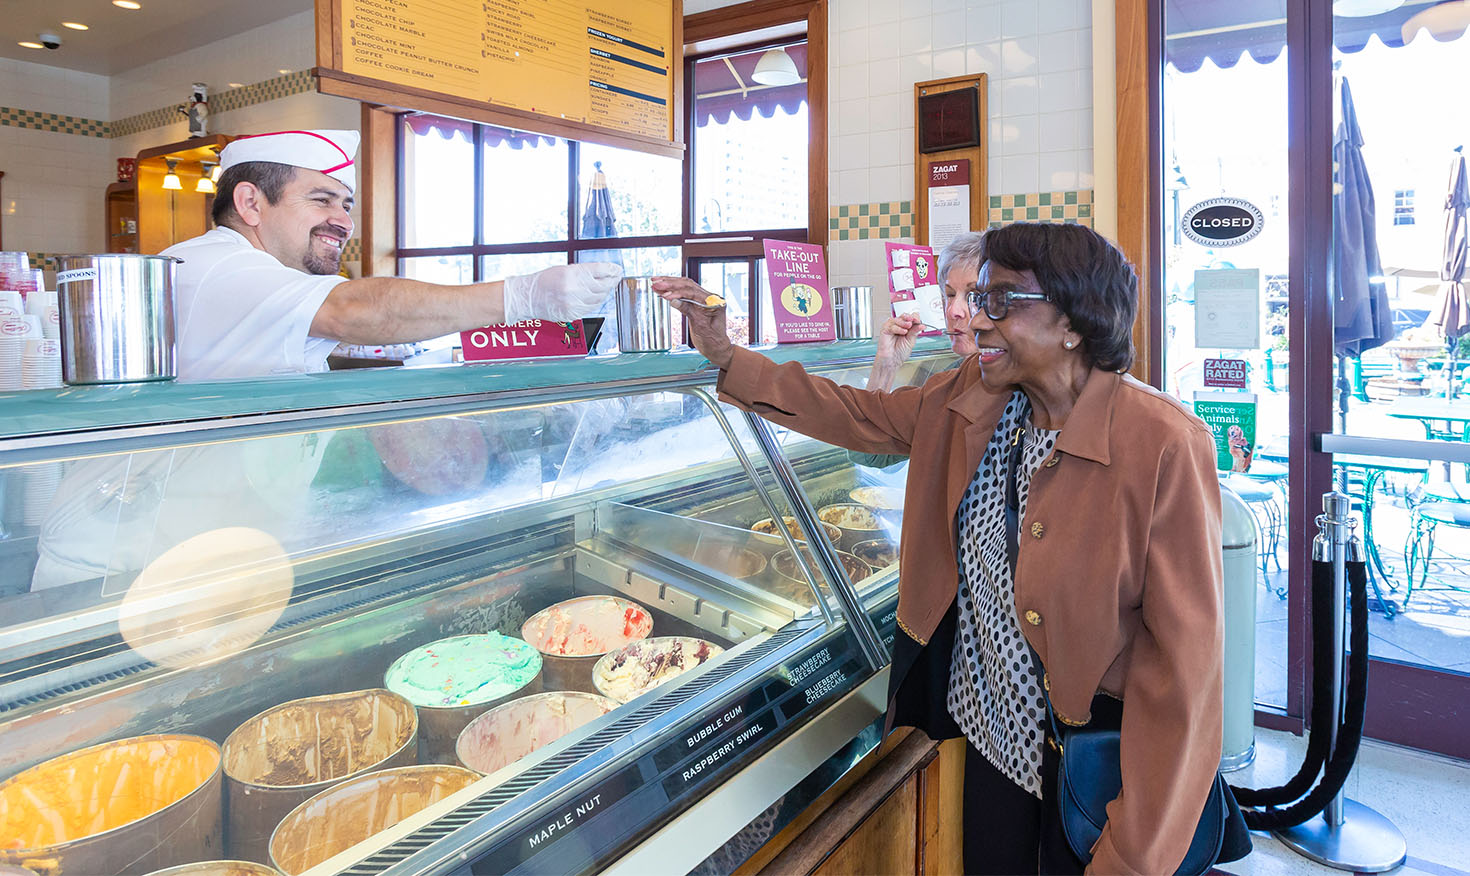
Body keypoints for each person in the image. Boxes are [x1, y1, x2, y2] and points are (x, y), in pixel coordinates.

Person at [655, 223, 1225, 875]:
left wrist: (1134, 853)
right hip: (990, 742)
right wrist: (727, 355)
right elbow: (858, 414)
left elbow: (1185, 673)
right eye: (976, 298)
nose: (973, 320)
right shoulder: (966, 397)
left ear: (1074, 324)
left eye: (999, 303)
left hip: (1097, 761)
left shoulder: (1163, 444)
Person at [164, 130, 621, 380]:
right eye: (321, 200)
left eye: (346, 205)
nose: (344, 222)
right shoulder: (217, 265)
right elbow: (353, 310)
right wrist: (523, 298)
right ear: (249, 204)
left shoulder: (259, 273)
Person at [851, 233, 984, 469]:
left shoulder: (1025, 388)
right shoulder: (948, 382)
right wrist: (886, 365)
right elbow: (869, 455)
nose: (954, 310)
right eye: (950, 295)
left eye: (973, 296)